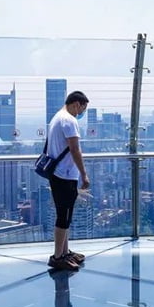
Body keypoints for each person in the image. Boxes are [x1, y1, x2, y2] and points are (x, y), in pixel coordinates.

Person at [46, 91, 90, 271]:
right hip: (64, 175)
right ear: (76, 104)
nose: (81, 113)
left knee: (66, 215)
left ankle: (65, 252)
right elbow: (74, 149)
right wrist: (84, 174)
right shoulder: (70, 120)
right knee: (63, 216)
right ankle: (57, 258)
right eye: (82, 109)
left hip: (59, 174)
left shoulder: (57, 117)